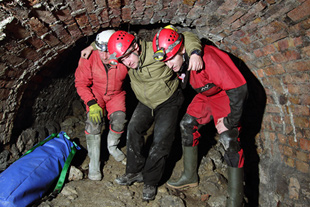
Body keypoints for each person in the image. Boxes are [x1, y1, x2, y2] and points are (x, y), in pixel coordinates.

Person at [81, 27, 203, 201]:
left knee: (161, 140)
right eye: (122, 59)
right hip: (146, 102)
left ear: (136, 48)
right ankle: (133, 171)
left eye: (128, 56)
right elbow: (111, 41)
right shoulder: (125, 58)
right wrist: (92, 46)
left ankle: (151, 182)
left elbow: (185, 37)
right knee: (133, 129)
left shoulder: (156, 49)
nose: (127, 62)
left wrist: (196, 53)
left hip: (168, 100)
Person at [152, 26, 248, 207]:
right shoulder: (185, 60)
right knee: (187, 124)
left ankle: (235, 201)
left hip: (225, 95)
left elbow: (239, 89)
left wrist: (230, 122)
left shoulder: (209, 58)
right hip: (206, 95)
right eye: (165, 61)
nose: (169, 65)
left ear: (181, 49)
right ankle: (189, 176)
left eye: (171, 58)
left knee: (229, 140)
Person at [75, 29, 128, 181]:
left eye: (108, 52)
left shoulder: (123, 56)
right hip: (96, 93)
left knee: (119, 119)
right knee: (94, 121)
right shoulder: (89, 57)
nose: (104, 56)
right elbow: (80, 83)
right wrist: (91, 103)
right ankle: (94, 161)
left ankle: (112, 147)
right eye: (101, 51)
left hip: (116, 94)